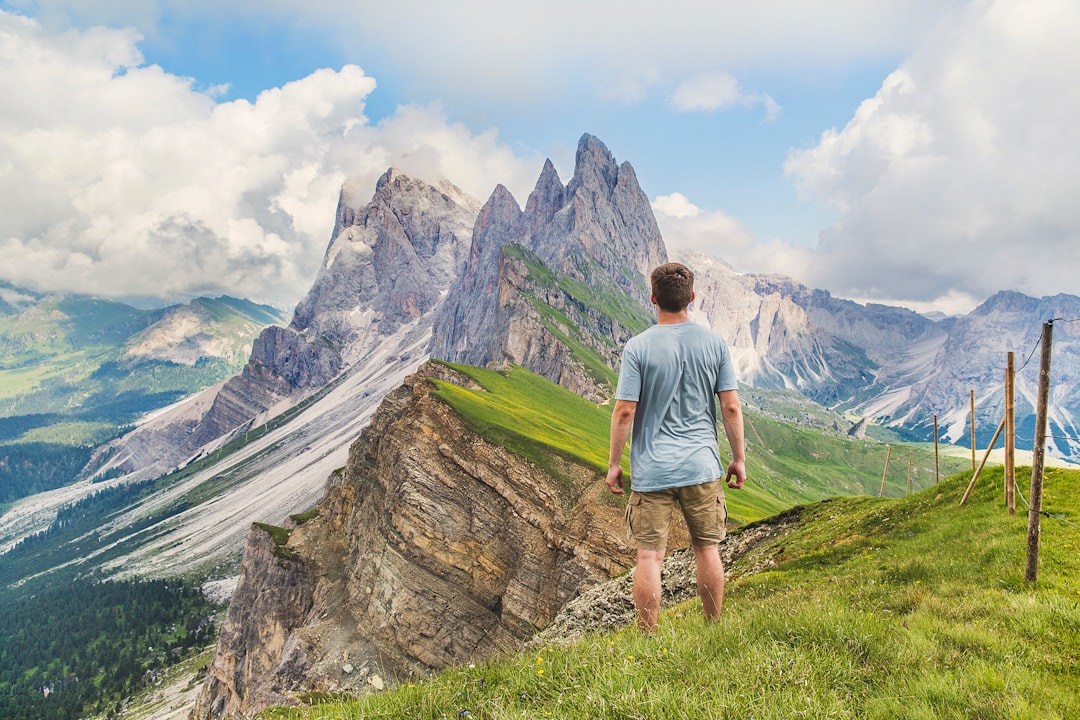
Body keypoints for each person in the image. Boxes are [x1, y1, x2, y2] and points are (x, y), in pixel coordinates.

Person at [606, 262, 746, 634]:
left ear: (653, 298)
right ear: (692, 298)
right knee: (707, 549)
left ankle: (648, 638)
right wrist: (738, 459)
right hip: (701, 465)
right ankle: (713, 627)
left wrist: (614, 464)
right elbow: (730, 406)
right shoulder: (714, 344)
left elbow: (624, 411)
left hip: (653, 470)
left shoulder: (637, 347)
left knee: (649, 557)